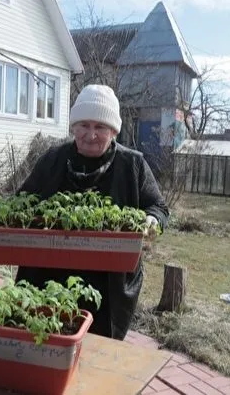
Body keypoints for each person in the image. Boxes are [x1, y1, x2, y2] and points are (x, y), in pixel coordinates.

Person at [15, 84, 169, 341]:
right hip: (50, 271)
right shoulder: (53, 159)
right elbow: (22, 200)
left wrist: (150, 222)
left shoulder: (132, 165)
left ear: (113, 131)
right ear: (73, 126)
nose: (91, 134)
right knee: (46, 335)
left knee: (100, 345)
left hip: (108, 281)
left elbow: (158, 207)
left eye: (100, 127)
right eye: (84, 125)